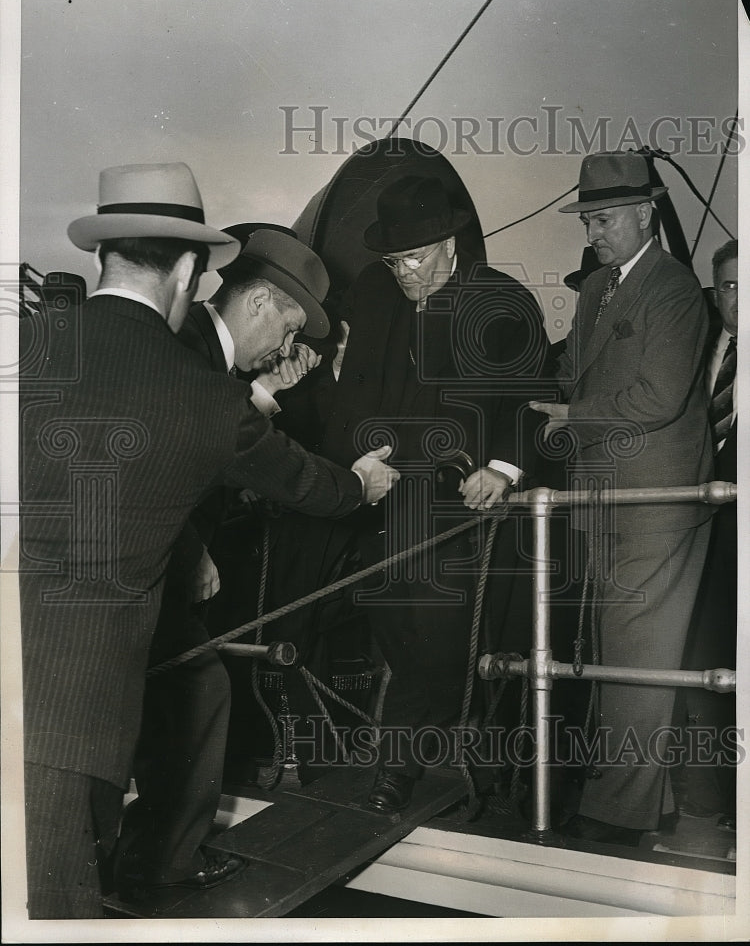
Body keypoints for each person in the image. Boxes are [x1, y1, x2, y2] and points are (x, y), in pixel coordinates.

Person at [18, 162, 399, 918]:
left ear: (104, 255)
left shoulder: (28, 343)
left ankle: (155, 863)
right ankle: (153, 867)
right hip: (78, 701)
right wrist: (360, 484)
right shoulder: (202, 397)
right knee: (56, 906)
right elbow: (304, 484)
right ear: (192, 269)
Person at [270, 173, 550, 813]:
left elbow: (531, 402)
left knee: (442, 638)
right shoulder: (376, 292)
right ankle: (398, 758)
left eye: (415, 259)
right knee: (391, 629)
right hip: (383, 496)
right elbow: (356, 392)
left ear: (451, 243)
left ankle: (398, 772)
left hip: (460, 506)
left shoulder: (502, 301)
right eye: (394, 261)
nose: (405, 274)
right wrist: (349, 463)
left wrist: (504, 469)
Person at [115, 226, 342, 901]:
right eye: (290, 327)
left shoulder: (201, 352)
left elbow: (213, 440)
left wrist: (266, 390)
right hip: (143, 567)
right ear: (262, 303)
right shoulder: (186, 354)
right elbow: (150, 463)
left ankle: (146, 853)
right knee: (195, 689)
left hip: (143, 566)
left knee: (181, 695)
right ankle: (156, 859)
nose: (287, 348)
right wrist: (189, 550)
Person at [530, 150, 713, 846]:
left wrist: (571, 417)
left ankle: (617, 815)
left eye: (604, 219)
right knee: (616, 649)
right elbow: (572, 370)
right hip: (606, 494)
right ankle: (643, 801)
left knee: (638, 656)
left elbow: (659, 399)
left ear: (645, 213)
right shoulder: (596, 290)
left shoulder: (672, 289)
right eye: (588, 220)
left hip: (657, 499)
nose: (594, 233)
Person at [679, 238, 737, 834]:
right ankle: (706, 806)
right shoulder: (696, 346)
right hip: (690, 528)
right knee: (699, 666)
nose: (738, 300)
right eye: (728, 286)